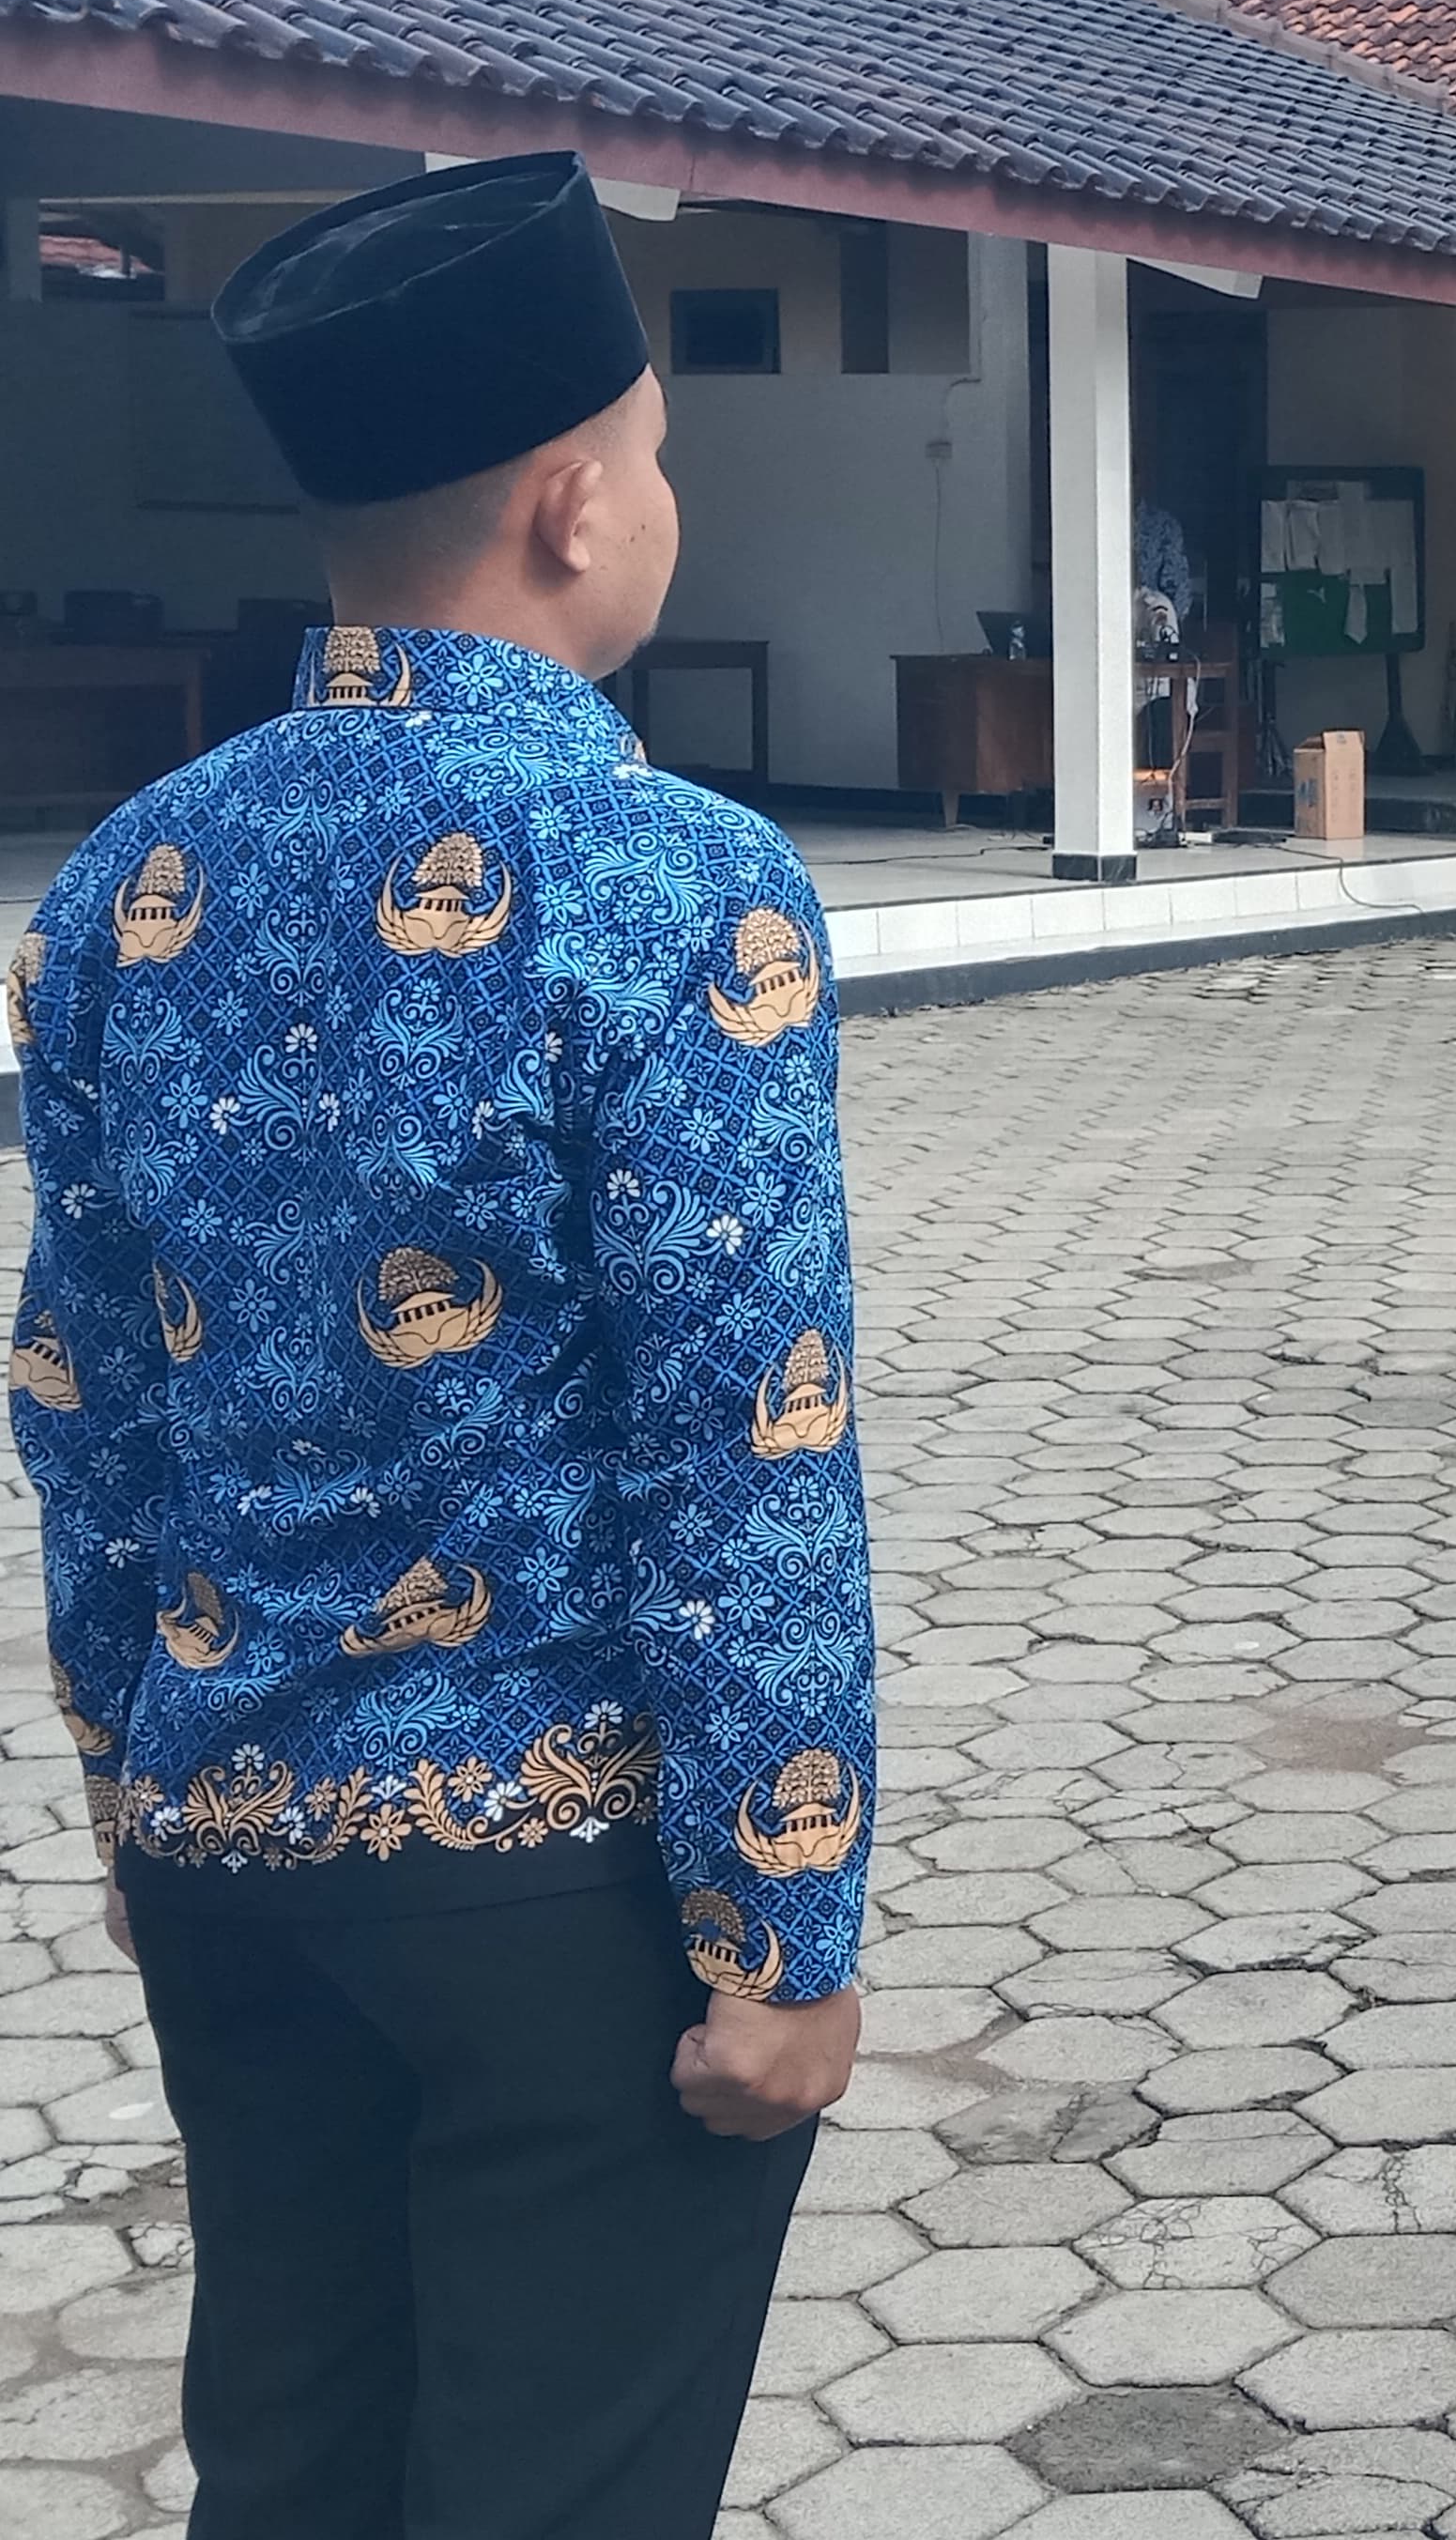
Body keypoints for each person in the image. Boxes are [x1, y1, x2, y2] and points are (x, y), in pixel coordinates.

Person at [8, 153, 873, 2538]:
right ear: (577, 506)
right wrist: (785, 1924)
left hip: (229, 1855)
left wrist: (133, 1790)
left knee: (292, 2473)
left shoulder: (124, 882)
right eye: (662, 454)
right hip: (561, 1898)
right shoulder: (677, 882)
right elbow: (745, 1443)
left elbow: (80, 1402)